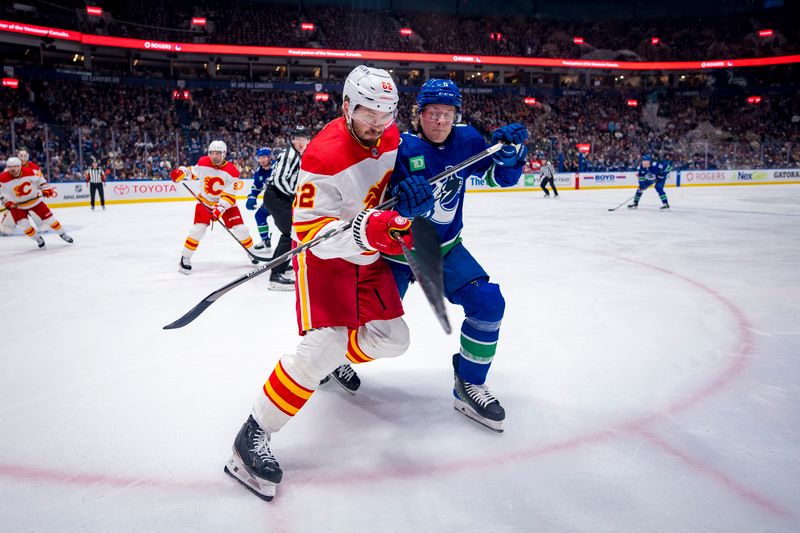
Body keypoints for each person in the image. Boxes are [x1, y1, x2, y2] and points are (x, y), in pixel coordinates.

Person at [224, 65, 427, 501]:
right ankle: (251, 435)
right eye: (367, 111)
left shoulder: (391, 135)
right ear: (346, 105)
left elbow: (411, 163)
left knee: (394, 339)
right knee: (323, 346)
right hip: (326, 259)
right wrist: (367, 230)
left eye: (386, 113)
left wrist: (415, 184)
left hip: (367, 251)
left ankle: (334, 362)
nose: (377, 122)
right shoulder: (322, 155)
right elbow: (309, 234)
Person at [325, 79, 528, 432]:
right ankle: (328, 359)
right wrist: (400, 202)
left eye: (448, 114)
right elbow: (368, 199)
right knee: (364, 322)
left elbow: (499, 178)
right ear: (418, 114)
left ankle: (469, 383)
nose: (440, 121)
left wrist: (510, 155)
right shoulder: (395, 145)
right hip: (395, 253)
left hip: (444, 249)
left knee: (488, 303)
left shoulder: (468, 141)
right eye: (433, 113)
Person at [170, 140, 261, 274]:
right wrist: (181, 172)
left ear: (224, 154)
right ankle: (185, 257)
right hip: (205, 202)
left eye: (218, 153)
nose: (214, 156)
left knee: (241, 229)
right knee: (197, 230)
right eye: (212, 153)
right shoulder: (203, 162)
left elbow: (229, 195)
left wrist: (220, 208)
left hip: (226, 205)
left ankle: (251, 252)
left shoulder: (232, 171)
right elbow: (192, 172)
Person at [263, 125, 311, 290]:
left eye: (304, 137)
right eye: (298, 138)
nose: (301, 141)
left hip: (278, 196)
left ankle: (278, 264)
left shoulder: (296, 154)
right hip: (277, 196)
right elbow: (279, 180)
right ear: (293, 139)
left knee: (289, 232)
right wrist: (293, 196)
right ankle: (275, 276)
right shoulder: (290, 155)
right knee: (290, 233)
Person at [0, 157, 74, 248]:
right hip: (17, 206)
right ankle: (38, 239)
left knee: (50, 220)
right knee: (25, 227)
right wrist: (7, 202)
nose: (12, 169)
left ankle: (62, 234)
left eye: (15, 166)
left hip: (35, 201)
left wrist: (46, 189)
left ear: (20, 166)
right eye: (10, 167)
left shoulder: (31, 172)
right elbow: (1, 194)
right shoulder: (2, 178)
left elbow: (42, 181)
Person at [245, 147, 274, 254]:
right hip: (272, 200)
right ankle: (265, 240)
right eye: (260, 158)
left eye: (264, 157)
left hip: (285, 199)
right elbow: (257, 186)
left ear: (269, 157)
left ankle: (291, 243)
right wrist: (252, 197)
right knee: (260, 215)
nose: (262, 160)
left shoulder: (278, 167)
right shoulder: (259, 171)